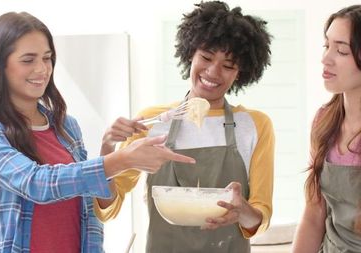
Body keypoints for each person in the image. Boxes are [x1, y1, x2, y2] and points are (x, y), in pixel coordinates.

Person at [0, 11, 195, 253]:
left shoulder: (66, 127)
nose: (42, 69)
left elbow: (92, 209)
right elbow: (36, 183)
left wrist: (108, 148)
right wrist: (122, 159)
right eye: (28, 60)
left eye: (47, 58)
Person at [93, 1, 275, 252]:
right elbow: (108, 208)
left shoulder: (254, 125)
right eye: (207, 57)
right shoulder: (153, 122)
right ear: (190, 53)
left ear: (240, 73)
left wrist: (242, 210)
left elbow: (260, 218)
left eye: (228, 65)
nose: (213, 72)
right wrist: (107, 148)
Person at [292, 5, 361, 253]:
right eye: (326, 45)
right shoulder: (324, 121)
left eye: (341, 50)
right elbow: (313, 215)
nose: (326, 58)